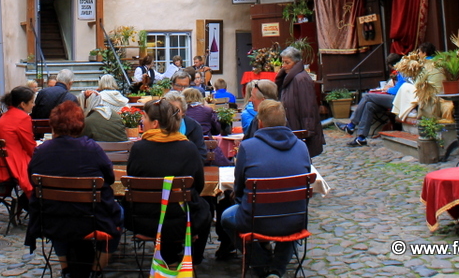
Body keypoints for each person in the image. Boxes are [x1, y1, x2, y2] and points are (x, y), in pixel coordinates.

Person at [26, 100, 124, 278]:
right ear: (80, 125)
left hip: (51, 218)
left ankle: (66, 269)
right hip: (92, 218)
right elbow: (109, 178)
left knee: (58, 214)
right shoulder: (91, 148)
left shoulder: (42, 151)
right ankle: (96, 269)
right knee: (120, 215)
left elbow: (32, 178)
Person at [220, 100, 311, 278]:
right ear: (285, 122)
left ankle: (261, 265)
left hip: (255, 220)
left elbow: (238, 188)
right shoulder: (301, 147)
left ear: (260, 123)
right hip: (294, 219)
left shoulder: (248, 147)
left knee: (226, 218)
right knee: (295, 216)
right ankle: (277, 269)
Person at [126, 99, 211, 267]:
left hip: (144, 220)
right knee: (205, 208)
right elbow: (198, 185)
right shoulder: (188, 148)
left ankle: (170, 258)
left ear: (155, 123)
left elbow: (133, 179)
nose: (142, 121)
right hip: (182, 220)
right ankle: (193, 259)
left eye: (144, 118)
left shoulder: (139, 149)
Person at [340, 52, 405, 147]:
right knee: (369, 105)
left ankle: (352, 124)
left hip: (399, 99)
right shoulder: (400, 72)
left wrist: (388, 89)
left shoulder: (404, 72)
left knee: (367, 96)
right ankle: (361, 138)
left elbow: (399, 89)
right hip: (396, 98)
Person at [0, 86, 37, 210]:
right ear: (22, 104)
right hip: (13, 163)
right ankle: (32, 204)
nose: (33, 105)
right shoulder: (23, 118)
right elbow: (29, 146)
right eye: (31, 102)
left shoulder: (5, 116)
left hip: (0, 164)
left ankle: (25, 203)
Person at [276, 47, 324, 157]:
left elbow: (307, 107)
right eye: (283, 62)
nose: (283, 65)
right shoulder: (289, 77)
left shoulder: (301, 79)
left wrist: (307, 131)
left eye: (287, 62)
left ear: (296, 62)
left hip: (300, 128)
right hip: (293, 125)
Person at [164, 90, 208, 162]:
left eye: (176, 110)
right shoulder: (159, 126)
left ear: (183, 112)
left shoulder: (194, 126)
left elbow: (201, 155)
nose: (172, 113)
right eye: (168, 109)